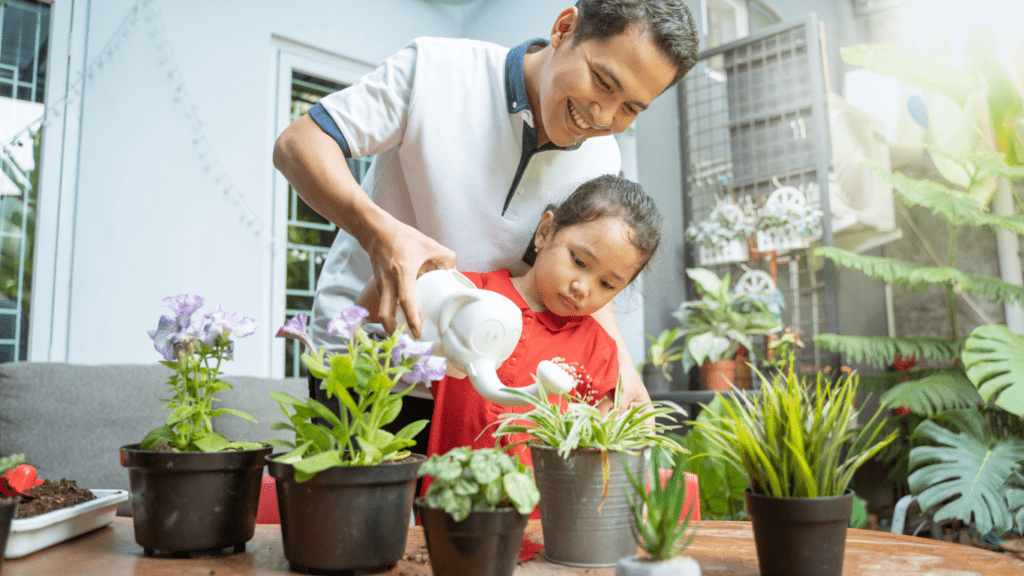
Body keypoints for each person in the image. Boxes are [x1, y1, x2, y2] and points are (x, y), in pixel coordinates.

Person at [272, 1, 699, 415]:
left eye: (630, 108)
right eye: (603, 82)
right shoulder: (437, 68)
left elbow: (588, 261)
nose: (602, 116)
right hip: (363, 359)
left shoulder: (603, 158)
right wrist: (377, 231)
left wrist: (621, 361)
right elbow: (300, 144)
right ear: (564, 28)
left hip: (473, 387)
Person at [359, 175, 662, 516]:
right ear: (545, 232)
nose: (582, 286)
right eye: (578, 261)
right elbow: (368, 308)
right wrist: (403, 263)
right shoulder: (471, 298)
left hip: (547, 526)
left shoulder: (599, 349)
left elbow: (602, 456)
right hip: (452, 513)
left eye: (606, 284)